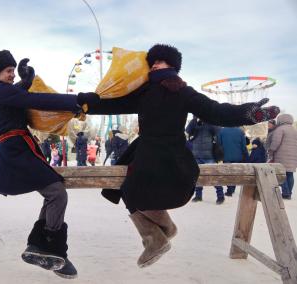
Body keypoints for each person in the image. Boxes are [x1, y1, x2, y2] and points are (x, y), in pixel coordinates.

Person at [81, 44, 279, 268]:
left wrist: (249, 113)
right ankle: (157, 236)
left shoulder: (184, 92)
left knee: (135, 191)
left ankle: (158, 235)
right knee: (125, 189)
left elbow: (216, 111)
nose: (155, 64)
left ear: (172, 65)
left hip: (170, 153)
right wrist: (85, 102)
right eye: (152, 61)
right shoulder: (143, 91)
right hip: (146, 149)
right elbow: (113, 104)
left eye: (161, 61)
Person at [0, 50, 98, 278]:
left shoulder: (0, 90)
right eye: (9, 71)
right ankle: (51, 247)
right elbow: (35, 100)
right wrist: (78, 100)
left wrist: (27, 80)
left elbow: (21, 93)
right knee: (56, 192)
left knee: (53, 191)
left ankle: (41, 247)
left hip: (20, 148)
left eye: (13, 70)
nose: (12, 74)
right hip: (16, 152)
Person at [185, 117, 225, 204]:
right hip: (196, 156)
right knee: (197, 178)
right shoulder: (194, 123)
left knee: (214, 177)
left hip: (209, 156)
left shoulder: (210, 124)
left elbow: (218, 130)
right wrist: (195, 120)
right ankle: (198, 196)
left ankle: (220, 196)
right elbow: (187, 130)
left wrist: (209, 119)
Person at [268, 113, 297, 199]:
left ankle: (285, 193)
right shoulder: (294, 130)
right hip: (293, 156)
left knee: (281, 174)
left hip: (281, 156)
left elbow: (276, 143)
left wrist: (271, 150)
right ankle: (289, 193)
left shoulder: (280, 129)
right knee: (290, 174)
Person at [217, 127, 249, 196]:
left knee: (228, 173)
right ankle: (232, 189)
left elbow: (219, 143)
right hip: (238, 156)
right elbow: (243, 145)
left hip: (226, 156)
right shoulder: (240, 131)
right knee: (234, 173)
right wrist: (246, 154)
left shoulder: (221, 131)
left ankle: (229, 189)